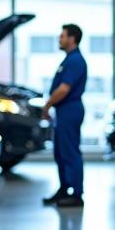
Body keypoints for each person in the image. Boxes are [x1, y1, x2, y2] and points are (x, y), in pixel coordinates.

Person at [41, 23, 87, 208]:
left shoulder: (75, 60)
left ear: (72, 38)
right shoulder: (68, 59)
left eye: (62, 36)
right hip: (63, 111)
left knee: (70, 152)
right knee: (60, 152)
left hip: (70, 109)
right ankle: (64, 189)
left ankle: (77, 194)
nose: (59, 39)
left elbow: (64, 89)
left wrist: (47, 105)